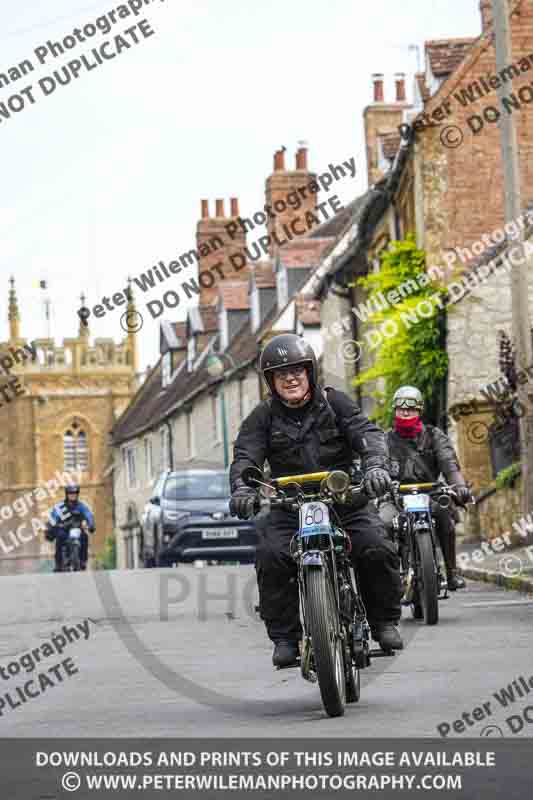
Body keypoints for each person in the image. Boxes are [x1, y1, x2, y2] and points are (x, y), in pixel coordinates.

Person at [229, 333, 403, 668]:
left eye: (297, 370)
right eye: (281, 374)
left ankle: (383, 622)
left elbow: (366, 434)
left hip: (342, 500)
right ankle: (284, 637)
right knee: (271, 554)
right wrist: (242, 488)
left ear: (310, 372)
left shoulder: (335, 403)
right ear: (272, 381)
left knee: (375, 546)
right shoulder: (262, 417)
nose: (290, 378)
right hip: (289, 506)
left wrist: (376, 467)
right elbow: (246, 457)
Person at [379, 386, 471, 591]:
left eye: (410, 408)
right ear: (394, 411)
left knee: (445, 517)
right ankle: (391, 580)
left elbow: (449, 464)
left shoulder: (434, 435)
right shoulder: (384, 440)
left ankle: (452, 572)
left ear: (419, 411)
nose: (405, 412)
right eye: (400, 408)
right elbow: (377, 465)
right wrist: (379, 483)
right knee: (383, 525)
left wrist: (459, 486)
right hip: (395, 497)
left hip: (431, 494)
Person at [45, 484, 95, 571]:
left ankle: (83, 560)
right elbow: (54, 516)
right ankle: (58, 563)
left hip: (77, 529)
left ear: (77, 494)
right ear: (67, 494)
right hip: (63, 529)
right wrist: (51, 525)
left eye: (75, 493)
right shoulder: (60, 507)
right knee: (59, 538)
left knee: (85, 537)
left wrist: (91, 524)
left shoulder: (81, 506)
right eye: (71, 493)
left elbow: (88, 515)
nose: (73, 495)